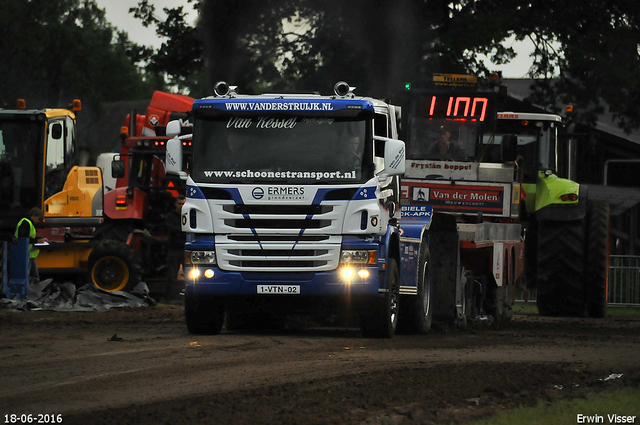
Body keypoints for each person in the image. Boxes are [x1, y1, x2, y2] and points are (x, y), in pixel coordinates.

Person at [14, 207, 47, 281]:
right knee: (27, 276)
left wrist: (39, 239)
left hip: (29, 255)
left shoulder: (29, 223)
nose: (39, 222)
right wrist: (37, 241)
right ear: (34, 216)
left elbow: (30, 237)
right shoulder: (25, 223)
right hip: (24, 254)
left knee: (35, 277)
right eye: (39, 219)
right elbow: (23, 237)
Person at [165, 195, 186, 301]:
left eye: (183, 203)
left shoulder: (188, 215)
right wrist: (184, 230)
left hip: (184, 249)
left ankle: (187, 296)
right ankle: (169, 297)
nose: (181, 206)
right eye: (179, 203)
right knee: (171, 275)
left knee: (190, 275)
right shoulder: (170, 216)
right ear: (175, 204)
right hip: (174, 248)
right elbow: (171, 228)